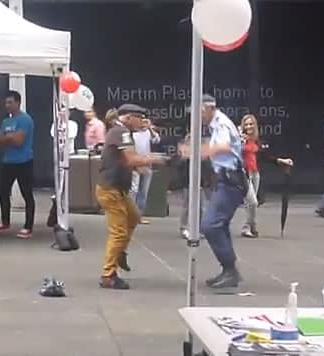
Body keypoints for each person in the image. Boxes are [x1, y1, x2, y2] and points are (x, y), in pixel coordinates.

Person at [179, 94, 245, 289]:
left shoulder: (221, 124)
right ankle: (228, 270)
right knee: (218, 225)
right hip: (226, 180)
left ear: (208, 108)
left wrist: (197, 151)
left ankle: (230, 270)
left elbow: (224, 147)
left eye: (198, 112)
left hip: (230, 180)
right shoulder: (218, 124)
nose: (197, 117)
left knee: (211, 225)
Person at [95, 103, 164, 289]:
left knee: (133, 217)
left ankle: (120, 253)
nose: (142, 122)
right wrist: (156, 158)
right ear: (128, 117)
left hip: (117, 188)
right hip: (111, 189)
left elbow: (125, 160)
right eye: (139, 118)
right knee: (118, 232)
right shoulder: (121, 132)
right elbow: (131, 159)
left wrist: (139, 166)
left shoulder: (121, 131)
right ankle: (108, 275)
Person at [0, 91, 35, 239]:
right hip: (8, 161)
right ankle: (5, 222)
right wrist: (9, 137)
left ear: (18, 102)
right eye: (6, 103)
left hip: (24, 162)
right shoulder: (6, 122)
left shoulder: (25, 120)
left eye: (10, 102)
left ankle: (28, 227)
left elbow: (19, 141)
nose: (7, 105)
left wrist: (6, 137)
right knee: (3, 192)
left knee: (26, 194)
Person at [130, 116, 160, 224]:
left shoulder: (148, 132)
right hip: (135, 166)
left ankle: (138, 216)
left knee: (143, 192)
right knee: (133, 191)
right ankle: (130, 216)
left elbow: (156, 140)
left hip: (147, 165)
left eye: (145, 121)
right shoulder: (132, 133)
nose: (143, 123)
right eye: (141, 121)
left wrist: (150, 128)